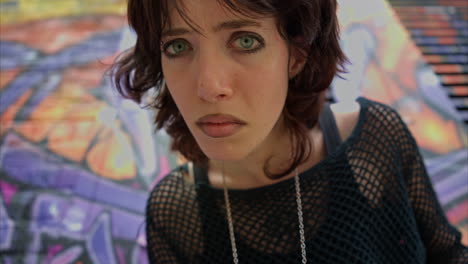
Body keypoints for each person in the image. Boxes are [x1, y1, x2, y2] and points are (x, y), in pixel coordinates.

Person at [112, 0, 468, 263]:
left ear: (296, 55)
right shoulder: (176, 211)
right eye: (177, 46)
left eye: (245, 40)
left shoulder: (371, 140)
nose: (209, 86)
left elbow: (448, 254)